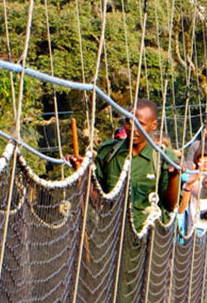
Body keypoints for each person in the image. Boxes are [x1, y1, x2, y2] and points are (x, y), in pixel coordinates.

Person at [69, 99, 180, 232]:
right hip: (113, 237)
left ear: (153, 125)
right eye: (128, 122)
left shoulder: (164, 158)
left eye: (140, 124)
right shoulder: (108, 153)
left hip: (152, 240)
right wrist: (84, 173)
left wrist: (174, 177)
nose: (133, 128)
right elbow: (97, 199)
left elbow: (170, 206)